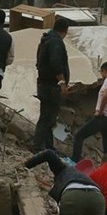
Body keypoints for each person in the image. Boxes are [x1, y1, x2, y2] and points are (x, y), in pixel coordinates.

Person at [72, 62, 107, 162]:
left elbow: (106, 95)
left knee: (79, 135)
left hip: (104, 116)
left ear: (104, 70)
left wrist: (100, 111)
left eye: (101, 72)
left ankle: (74, 161)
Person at [34, 17, 71, 152]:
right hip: (51, 86)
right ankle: (38, 146)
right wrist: (62, 83)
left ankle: (48, 146)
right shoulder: (56, 42)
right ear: (65, 31)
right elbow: (55, 63)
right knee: (47, 118)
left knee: (48, 117)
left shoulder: (46, 40)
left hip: (44, 84)